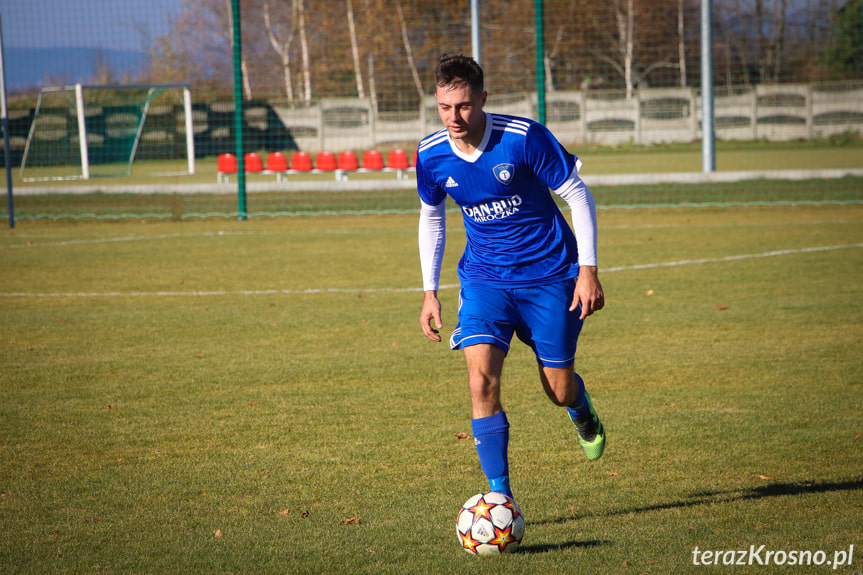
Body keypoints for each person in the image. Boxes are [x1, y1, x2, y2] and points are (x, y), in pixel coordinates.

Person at [416, 53, 606, 502]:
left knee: (557, 389)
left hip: (550, 276)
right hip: (484, 280)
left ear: (482, 98)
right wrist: (430, 292)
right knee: (480, 382)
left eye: (463, 106)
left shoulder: (523, 138)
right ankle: (499, 499)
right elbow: (432, 219)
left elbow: (577, 195)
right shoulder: (431, 153)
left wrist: (588, 270)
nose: (454, 117)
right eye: (444, 108)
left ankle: (580, 408)